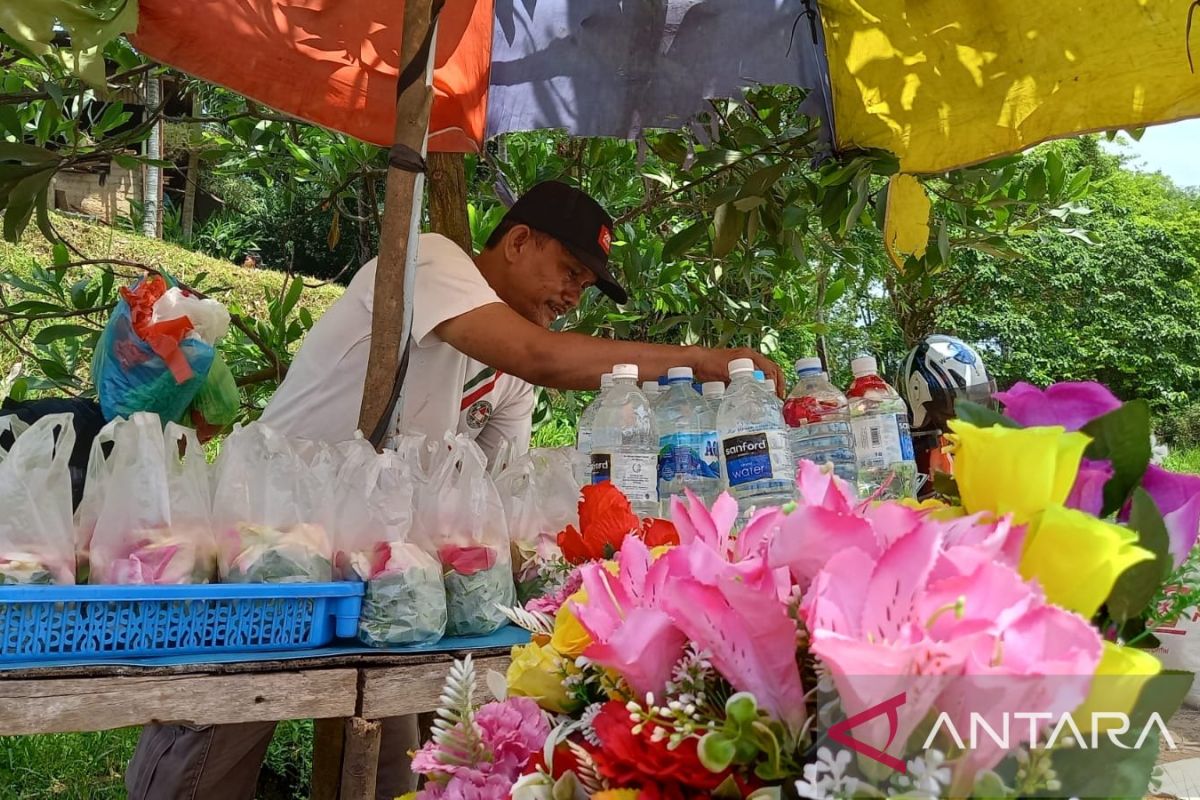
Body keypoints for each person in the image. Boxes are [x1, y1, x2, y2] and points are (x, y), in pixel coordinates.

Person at [126, 180, 783, 800]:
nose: (571, 296)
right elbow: (544, 358)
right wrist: (697, 361)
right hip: (271, 545)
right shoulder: (432, 262)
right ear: (519, 240)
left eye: (585, 284)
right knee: (215, 743)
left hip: (382, 566)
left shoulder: (513, 381)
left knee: (402, 758)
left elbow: (492, 498)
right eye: (569, 272)